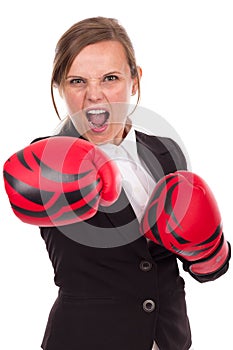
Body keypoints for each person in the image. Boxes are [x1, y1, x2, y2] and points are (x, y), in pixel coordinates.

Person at [3, 17, 231, 350]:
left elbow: (183, 262)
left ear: (135, 80)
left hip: (169, 338)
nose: (94, 95)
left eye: (110, 78)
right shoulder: (46, 161)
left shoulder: (165, 151)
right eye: (77, 81)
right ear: (60, 87)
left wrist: (209, 250)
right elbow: (20, 183)